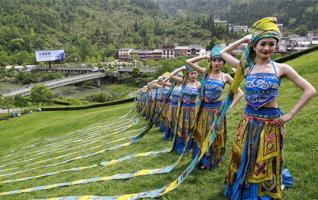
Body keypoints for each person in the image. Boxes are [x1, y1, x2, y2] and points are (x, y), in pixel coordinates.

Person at [220, 17, 316, 199]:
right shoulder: (246, 67)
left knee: (266, 158)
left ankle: (263, 192)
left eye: (271, 44)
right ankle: (244, 189)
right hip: (248, 120)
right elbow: (223, 53)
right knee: (245, 155)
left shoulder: (281, 68)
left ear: (276, 46)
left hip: (271, 121)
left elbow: (309, 90)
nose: (266, 48)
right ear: (254, 46)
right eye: (262, 43)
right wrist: (243, 39)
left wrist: (290, 114)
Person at [186, 44, 244, 169]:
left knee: (215, 135)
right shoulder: (205, 73)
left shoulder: (226, 77)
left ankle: (211, 161)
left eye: (219, 60)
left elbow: (240, 93)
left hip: (217, 111)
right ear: (211, 61)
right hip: (203, 109)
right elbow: (188, 61)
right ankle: (200, 160)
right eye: (214, 60)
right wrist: (204, 56)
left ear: (224, 62)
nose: (216, 63)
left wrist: (228, 109)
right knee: (201, 133)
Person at [170, 65, 201, 154]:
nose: (193, 75)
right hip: (183, 109)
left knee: (192, 127)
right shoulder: (184, 82)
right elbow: (171, 76)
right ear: (188, 74)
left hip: (193, 109)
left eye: (195, 73)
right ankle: (181, 146)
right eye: (191, 73)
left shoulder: (199, 84)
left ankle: (190, 146)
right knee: (183, 127)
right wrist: (180, 68)